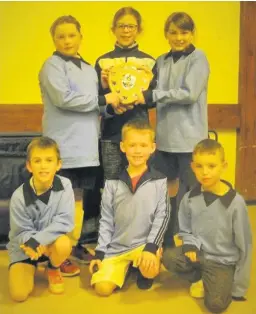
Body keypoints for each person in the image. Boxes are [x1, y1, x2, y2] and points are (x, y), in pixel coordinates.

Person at [39, 15, 119, 273]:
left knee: (88, 200)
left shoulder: (88, 69)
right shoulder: (52, 65)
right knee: (60, 202)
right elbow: (65, 99)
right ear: (54, 40)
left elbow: (96, 107)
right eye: (60, 36)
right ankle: (56, 254)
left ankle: (79, 244)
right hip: (62, 146)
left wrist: (115, 105)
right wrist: (106, 98)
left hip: (88, 147)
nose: (66, 40)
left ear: (80, 37)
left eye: (71, 35)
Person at [141, 12, 210, 247]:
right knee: (165, 190)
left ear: (192, 33)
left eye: (184, 32)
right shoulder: (160, 61)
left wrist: (154, 95)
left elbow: (189, 94)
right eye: (173, 32)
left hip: (190, 140)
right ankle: (168, 236)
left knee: (192, 193)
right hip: (165, 139)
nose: (179, 37)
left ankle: (196, 243)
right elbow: (148, 92)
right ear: (165, 34)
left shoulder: (199, 58)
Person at [162, 139, 252, 313]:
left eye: (211, 166)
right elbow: (185, 228)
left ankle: (216, 280)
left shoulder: (236, 203)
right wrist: (190, 245)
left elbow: (245, 246)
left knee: (216, 304)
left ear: (223, 166)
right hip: (198, 255)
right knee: (168, 257)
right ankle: (200, 277)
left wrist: (239, 286)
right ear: (193, 167)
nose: (205, 172)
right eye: (199, 166)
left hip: (222, 262)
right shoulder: (189, 198)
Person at [89, 120, 170, 296]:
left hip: (143, 245)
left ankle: (143, 262)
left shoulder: (159, 181)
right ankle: (125, 268)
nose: (138, 150)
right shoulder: (112, 182)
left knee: (150, 270)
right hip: (117, 247)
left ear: (152, 147)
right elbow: (106, 219)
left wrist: (151, 247)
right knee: (102, 290)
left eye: (143, 145)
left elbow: (161, 217)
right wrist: (100, 251)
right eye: (132, 145)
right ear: (123, 147)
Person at [7, 137, 75, 301]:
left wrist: (39, 241)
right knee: (19, 295)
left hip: (48, 243)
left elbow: (65, 221)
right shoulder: (18, 197)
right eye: (37, 161)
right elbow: (20, 231)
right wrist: (33, 243)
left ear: (58, 165)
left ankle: (53, 267)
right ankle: (29, 266)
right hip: (26, 247)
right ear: (29, 166)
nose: (43, 166)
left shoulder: (65, 185)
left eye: (49, 160)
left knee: (64, 243)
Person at [95, 6, 157, 180]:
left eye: (131, 26)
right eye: (121, 26)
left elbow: (154, 99)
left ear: (139, 29)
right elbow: (97, 98)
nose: (126, 30)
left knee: (140, 180)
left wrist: (141, 98)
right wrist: (105, 86)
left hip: (140, 133)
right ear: (113, 29)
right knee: (112, 181)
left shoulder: (149, 62)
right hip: (111, 133)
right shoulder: (102, 61)